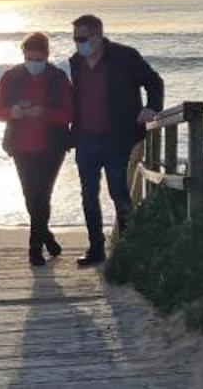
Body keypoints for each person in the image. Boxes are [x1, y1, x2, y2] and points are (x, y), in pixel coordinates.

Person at [69, 14, 163, 266]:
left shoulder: (125, 56)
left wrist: (152, 107)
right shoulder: (76, 62)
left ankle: (127, 247)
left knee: (118, 191)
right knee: (88, 195)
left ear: (98, 35)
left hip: (117, 138)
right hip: (86, 139)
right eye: (75, 38)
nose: (78, 43)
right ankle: (96, 249)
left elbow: (154, 81)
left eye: (82, 38)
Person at [0, 32, 74, 266]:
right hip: (20, 145)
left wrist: (44, 112)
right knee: (30, 196)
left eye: (38, 59)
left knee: (42, 195)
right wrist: (13, 112)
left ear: (47, 56)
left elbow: (68, 114)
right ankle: (46, 236)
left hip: (52, 146)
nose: (33, 64)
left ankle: (34, 249)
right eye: (29, 59)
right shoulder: (11, 76)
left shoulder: (58, 78)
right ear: (23, 55)